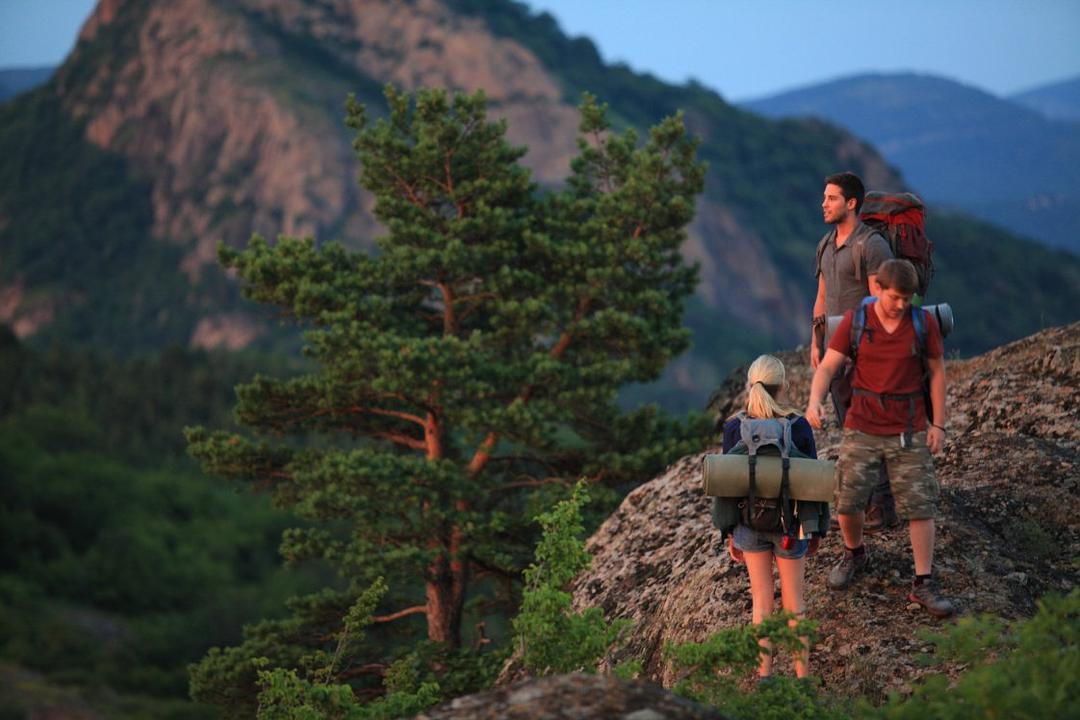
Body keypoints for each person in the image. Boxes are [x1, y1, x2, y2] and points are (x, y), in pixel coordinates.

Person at [805, 259, 954, 617]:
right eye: (894, 297)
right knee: (847, 501)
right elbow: (828, 366)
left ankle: (923, 582)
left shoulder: (923, 323)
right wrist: (814, 402)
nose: (901, 305)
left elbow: (936, 373)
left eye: (907, 298)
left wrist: (938, 425)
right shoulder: (857, 321)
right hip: (863, 425)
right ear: (877, 289)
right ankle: (854, 553)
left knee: (920, 505)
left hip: (908, 426)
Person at [719, 354, 821, 678]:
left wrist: (730, 533)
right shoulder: (799, 426)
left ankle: (765, 681)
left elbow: (729, 486)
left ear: (750, 387)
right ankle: (802, 682)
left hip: (750, 526)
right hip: (791, 526)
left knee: (761, 606)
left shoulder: (735, 427)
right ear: (784, 388)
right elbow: (813, 484)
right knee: (796, 607)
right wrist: (814, 530)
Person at [811, 171, 897, 530]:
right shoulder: (826, 245)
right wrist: (816, 346)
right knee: (850, 430)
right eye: (824, 197)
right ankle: (861, 506)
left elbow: (886, 303)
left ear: (851, 203)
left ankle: (883, 507)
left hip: (865, 353)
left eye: (831, 198)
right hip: (834, 353)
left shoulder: (870, 245)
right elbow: (821, 297)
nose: (824, 204)